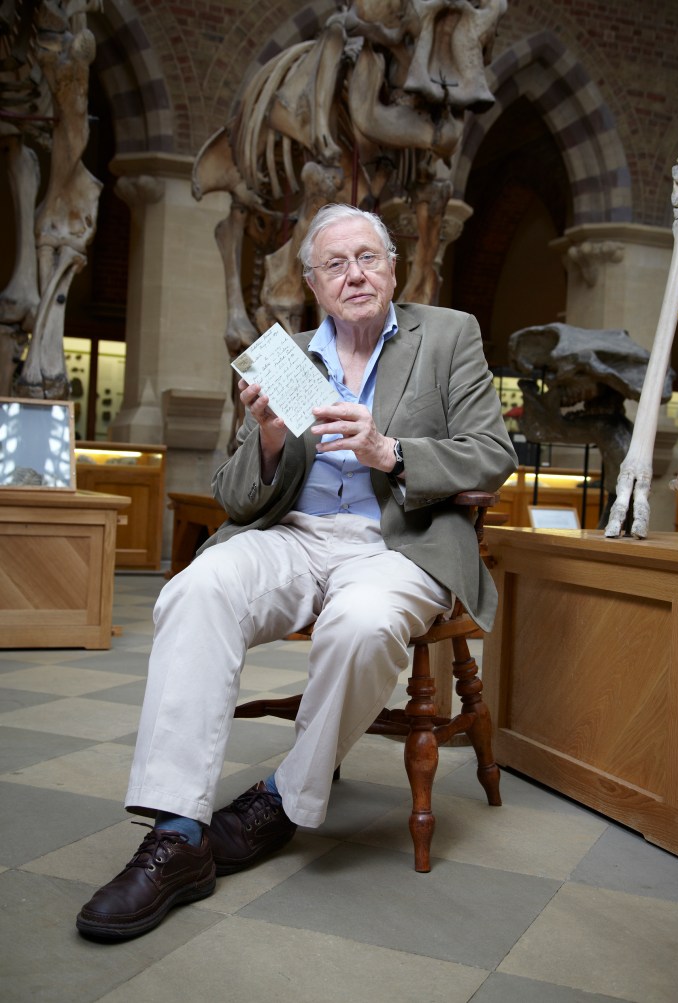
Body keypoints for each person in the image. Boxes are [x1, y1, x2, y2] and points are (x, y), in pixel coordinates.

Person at [76, 203, 518, 940]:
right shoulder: (281, 357)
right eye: (335, 264)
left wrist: (389, 452)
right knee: (196, 590)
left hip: (395, 543)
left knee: (365, 623)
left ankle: (281, 799)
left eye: (368, 258)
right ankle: (177, 832)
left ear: (393, 268)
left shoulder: (449, 334)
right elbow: (235, 496)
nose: (355, 274)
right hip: (292, 535)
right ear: (312, 283)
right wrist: (271, 439)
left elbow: (492, 455)